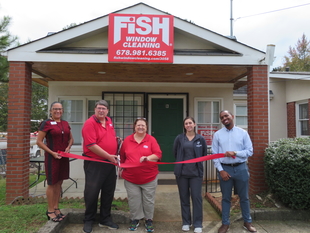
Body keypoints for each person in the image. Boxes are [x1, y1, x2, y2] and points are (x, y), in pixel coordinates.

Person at [212, 110, 257, 233]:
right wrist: (221, 171)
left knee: (244, 197)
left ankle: (247, 222)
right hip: (225, 169)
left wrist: (235, 153)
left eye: (226, 116)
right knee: (226, 198)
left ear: (232, 116)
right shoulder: (217, 135)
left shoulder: (243, 133)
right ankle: (225, 224)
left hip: (241, 168)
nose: (224, 118)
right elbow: (214, 155)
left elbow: (250, 151)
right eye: (222, 117)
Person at [81, 100, 120, 233]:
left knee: (108, 192)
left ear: (107, 111)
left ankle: (105, 219)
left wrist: (116, 142)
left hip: (109, 163)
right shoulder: (89, 123)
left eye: (104, 109)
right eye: (99, 108)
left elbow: (107, 138)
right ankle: (88, 220)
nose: (101, 111)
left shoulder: (109, 121)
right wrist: (109, 155)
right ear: (95, 109)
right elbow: (91, 145)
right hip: (95, 163)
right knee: (92, 192)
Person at [119, 118, 162, 232]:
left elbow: (158, 154)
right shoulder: (127, 140)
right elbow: (122, 156)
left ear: (146, 127)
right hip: (131, 178)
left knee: (148, 200)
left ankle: (149, 220)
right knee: (134, 200)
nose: (140, 127)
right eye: (138, 125)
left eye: (143, 125)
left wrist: (148, 158)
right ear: (134, 127)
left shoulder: (151, 140)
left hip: (149, 177)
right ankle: (135, 219)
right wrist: (121, 168)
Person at [36, 101, 74, 222]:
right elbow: (39, 141)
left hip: (63, 157)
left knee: (59, 183)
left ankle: (56, 207)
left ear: (62, 111)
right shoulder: (46, 124)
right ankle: (50, 210)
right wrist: (52, 152)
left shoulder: (65, 123)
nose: (58, 111)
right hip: (52, 158)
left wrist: (68, 148)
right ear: (51, 111)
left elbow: (71, 139)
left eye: (60, 109)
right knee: (52, 183)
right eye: (55, 109)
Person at [173, 116, 207, 233]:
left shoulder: (200, 139)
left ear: (194, 124)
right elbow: (175, 153)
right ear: (184, 126)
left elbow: (203, 154)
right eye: (186, 123)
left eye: (190, 123)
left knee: (197, 198)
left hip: (196, 174)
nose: (188, 125)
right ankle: (186, 222)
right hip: (182, 174)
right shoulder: (179, 138)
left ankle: (198, 224)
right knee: (184, 198)